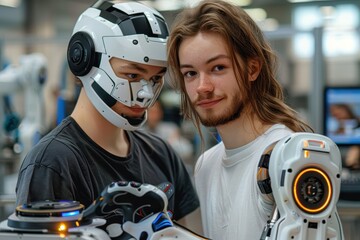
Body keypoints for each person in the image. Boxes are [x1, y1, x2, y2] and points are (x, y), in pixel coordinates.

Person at [15, 1, 199, 238]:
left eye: (155, 79)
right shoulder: (52, 163)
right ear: (83, 59)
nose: (145, 94)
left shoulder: (162, 154)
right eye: (132, 75)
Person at [167, 0, 313, 239]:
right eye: (190, 73)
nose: (202, 87)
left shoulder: (287, 157)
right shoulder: (206, 166)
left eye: (218, 68)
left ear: (252, 69)